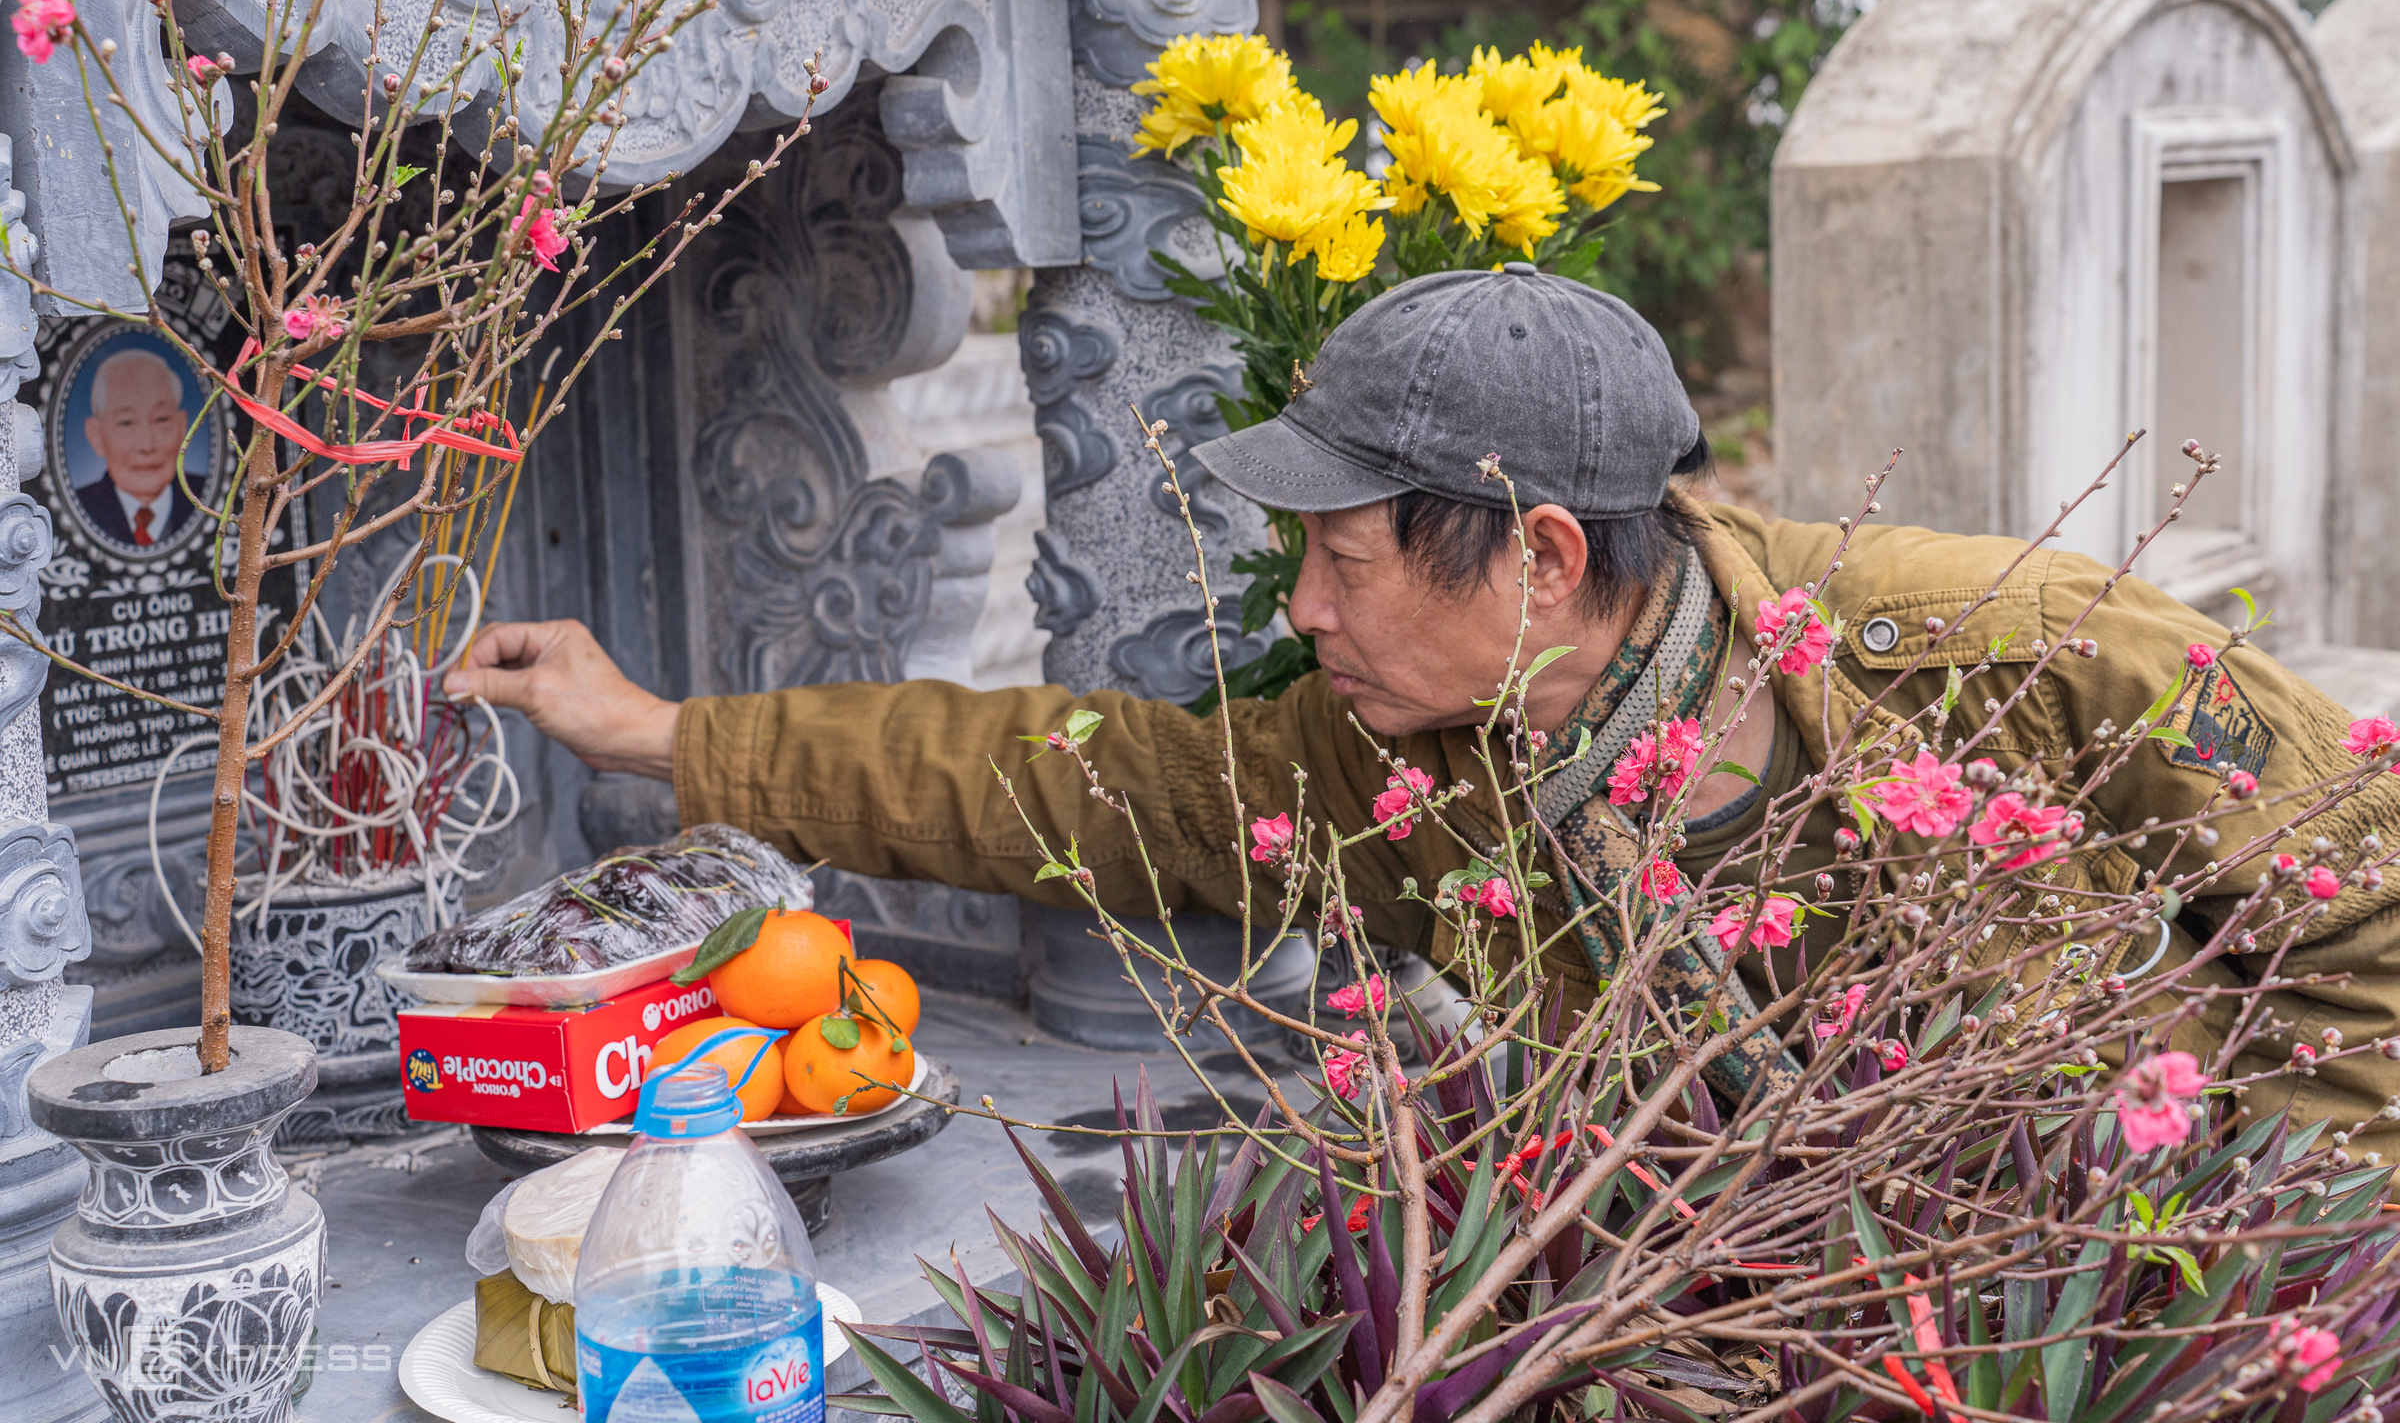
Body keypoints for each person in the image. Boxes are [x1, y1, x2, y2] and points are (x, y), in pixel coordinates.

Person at [449, 265, 2400, 1157]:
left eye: (1349, 556)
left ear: (1542, 551)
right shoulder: (1402, 754)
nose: (1302, 610)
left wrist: (2237, 1226)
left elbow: (2364, 903)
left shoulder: (2006, 648)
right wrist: (665, 734)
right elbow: (1077, 782)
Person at [75, 347, 197, 550]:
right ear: (96, 435)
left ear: (182, 427)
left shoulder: (206, 503)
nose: (147, 445)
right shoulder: (80, 509)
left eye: (161, 419)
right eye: (126, 423)